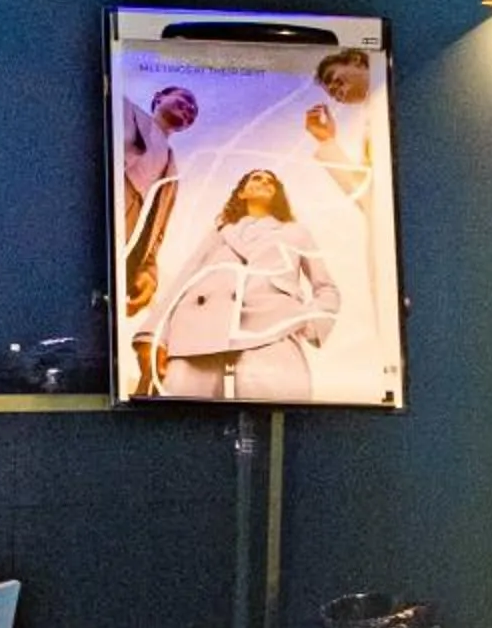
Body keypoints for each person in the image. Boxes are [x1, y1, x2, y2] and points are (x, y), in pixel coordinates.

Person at [154, 169, 340, 405]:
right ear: (241, 193)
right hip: (198, 330)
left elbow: (326, 288)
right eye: (256, 178)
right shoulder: (219, 233)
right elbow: (184, 281)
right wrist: (157, 337)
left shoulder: (295, 232)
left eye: (271, 181)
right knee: (181, 422)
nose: (264, 182)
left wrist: (309, 322)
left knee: (276, 416)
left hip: (272, 328)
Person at [117, 83, 197, 397]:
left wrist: (148, 269)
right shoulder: (123, 111)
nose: (188, 109)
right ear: (159, 98)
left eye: (193, 112)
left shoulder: (172, 167)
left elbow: (157, 228)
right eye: (184, 99)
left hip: (132, 227)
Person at [301, 46, 377, 212]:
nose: (331, 90)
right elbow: (371, 200)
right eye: (329, 92)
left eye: (331, 78)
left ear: (356, 60)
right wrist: (327, 141)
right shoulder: (372, 123)